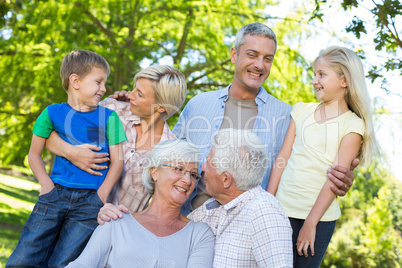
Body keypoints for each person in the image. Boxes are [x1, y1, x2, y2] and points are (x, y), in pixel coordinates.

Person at [171, 22, 359, 215]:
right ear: (234, 55)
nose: (259, 65)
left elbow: (308, 169)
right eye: (252, 55)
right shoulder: (198, 104)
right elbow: (167, 159)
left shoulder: (288, 117)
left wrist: (340, 178)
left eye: (267, 59)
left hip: (247, 232)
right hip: (188, 224)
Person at [6, 50, 126, 268]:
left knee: (63, 262)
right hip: (54, 195)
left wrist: (102, 195)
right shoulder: (51, 113)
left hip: (90, 202)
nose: (104, 89)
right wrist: (45, 185)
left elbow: (118, 161)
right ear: (75, 81)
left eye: (105, 83)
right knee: (23, 258)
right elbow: (34, 154)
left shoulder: (109, 117)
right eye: (98, 82)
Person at [267, 46, 379, 267]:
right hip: (281, 211)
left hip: (318, 219)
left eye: (322, 74)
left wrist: (310, 223)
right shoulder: (300, 111)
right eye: (314, 74)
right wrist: (268, 201)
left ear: (344, 80)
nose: (314, 80)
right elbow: (283, 156)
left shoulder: (353, 126)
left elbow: (334, 178)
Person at [45, 65, 187, 213]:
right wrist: (71, 152)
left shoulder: (171, 154)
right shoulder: (113, 110)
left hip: (112, 230)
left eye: (139, 94)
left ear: (161, 107)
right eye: (134, 89)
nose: (130, 95)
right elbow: (47, 135)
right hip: (64, 208)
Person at [66, 139, 215, 267]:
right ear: (155, 172)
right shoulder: (116, 223)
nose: (187, 180)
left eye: (193, 174)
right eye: (179, 169)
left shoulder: (200, 234)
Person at [188, 129, 293, 267]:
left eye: (208, 163)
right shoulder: (214, 206)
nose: (203, 168)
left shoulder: (264, 212)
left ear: (226, 180)